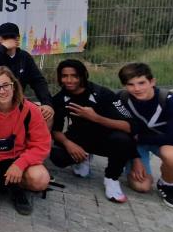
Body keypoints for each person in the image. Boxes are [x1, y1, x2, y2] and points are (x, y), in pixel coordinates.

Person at [49, 60, 136, 203]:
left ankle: (111, 179)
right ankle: (84, 157)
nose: (69, 80)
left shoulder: (103, 93)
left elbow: (130, 126)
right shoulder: (59, 98)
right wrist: (68, 144)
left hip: (106, 137)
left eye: (74, 76)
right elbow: (56, 130)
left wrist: (95, 118)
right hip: (81, 137)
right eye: (65, 76)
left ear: (83, 76)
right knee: (57, 156)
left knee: (123, 140)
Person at [0, 66, 51, 215]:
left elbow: (42, 145)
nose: (2, 91)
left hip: (16, 160)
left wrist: (20, 164)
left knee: (41, 179)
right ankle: (4, 184)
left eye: (6, 85)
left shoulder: (30, 110)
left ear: (14, 86)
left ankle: (15, 186)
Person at [119, 63, 173, 210]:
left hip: (160, 142)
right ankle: (130, 164)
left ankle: (166, 185)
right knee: (142, 187)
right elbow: (123, 131)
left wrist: (141, 138)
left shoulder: (172, 100)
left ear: (152, 82)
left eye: (142, 83)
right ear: (124, 86)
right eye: (130, 84)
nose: (137, 89)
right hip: (136, 145)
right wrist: (136, 158)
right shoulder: (121, 100)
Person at [0, 23, 54, 126]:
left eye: (12, 37)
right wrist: (3, 48)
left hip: (17, 102)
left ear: (17, 39)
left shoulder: (24, 57)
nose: (9, 40)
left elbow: (38, 81)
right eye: (5, 38)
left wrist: (47, 103)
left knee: (47, 115)